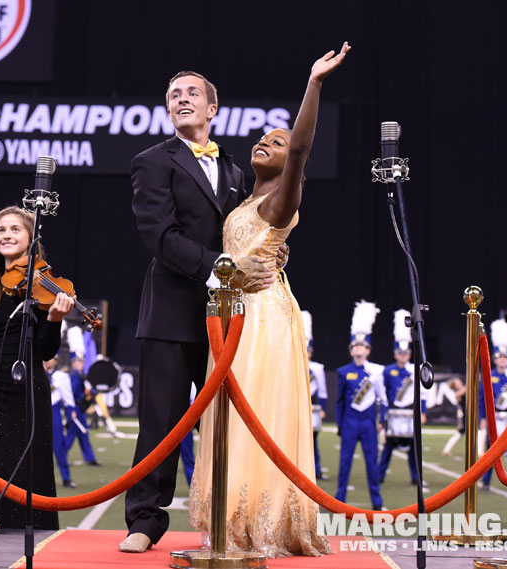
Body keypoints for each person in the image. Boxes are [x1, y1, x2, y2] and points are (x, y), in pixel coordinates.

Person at [189, 45, 351, 558]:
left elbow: (302, 150)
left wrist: (315, 83)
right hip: (232, 313)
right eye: (263, 137)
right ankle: (232, 520)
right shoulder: (243, 197)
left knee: (258, 412)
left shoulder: (284, 195)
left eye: (276, 142)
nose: (268, 142)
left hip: (263, 316)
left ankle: (268, 521)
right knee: (231, 414)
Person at [123, 61, 291, 552]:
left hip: (231, 320)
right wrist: (225, 267)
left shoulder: (237, 170)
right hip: (172, 316)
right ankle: (144, 521)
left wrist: (275, 250)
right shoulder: (152, 161)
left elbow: (250, 227)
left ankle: (233, 519)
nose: (181, 98)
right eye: (173, 93)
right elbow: (161, 237)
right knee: (162, 422)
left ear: (212, 108)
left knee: (230, 425)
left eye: (192, 93)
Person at [0, 205, 73, 530]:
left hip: (26, 391)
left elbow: (44, 351)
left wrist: (53, 321)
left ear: (30, 239)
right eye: (1, 230)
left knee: (29, 473)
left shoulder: (43, 287)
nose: (7, 235)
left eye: (15, 229)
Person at [336, 300, 386, 511]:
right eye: (355, 346)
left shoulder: (376, 371)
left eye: (362, 346)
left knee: (371, 464)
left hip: (368, 423)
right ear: (350, 349)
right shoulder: (342, 372)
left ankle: (377, 502)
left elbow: (383, 399)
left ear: (368, 350)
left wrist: (381, 419)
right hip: (349, 423)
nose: (359, 349)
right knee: (345, 462)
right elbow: (339, 402)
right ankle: (339, 501)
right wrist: (340, 425)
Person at [379, 309, 427, 485]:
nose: (403, 356)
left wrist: (423, 411)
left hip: (409, 412)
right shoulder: (387, 370)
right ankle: (380, 475)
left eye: (405, 353)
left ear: (410, 354)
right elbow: (382, 394)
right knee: (388, 445)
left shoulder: (414, 370)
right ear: (395, 353)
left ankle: (416, 477)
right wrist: (383, 413)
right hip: (393, 412)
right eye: (400, 353)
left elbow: (423, 393)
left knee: (413, 446)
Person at [480, 318, 507, 490]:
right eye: (499, 357)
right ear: (494, 359)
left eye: (505, 357)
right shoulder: (488, 375)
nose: (502, 360)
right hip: (494, 418)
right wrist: (482, 417)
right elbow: (482, 398)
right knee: (491, 450)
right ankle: (486, 481)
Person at [303, 310, 330, 481]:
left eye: (309, 351)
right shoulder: (294, 365)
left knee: (313, 441)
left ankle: (317, 470)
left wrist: (323, 408)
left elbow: (323, 391)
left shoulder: (318, 368)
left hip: (313, 406)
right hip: (299, 405)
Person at [44, 356, 76, 488]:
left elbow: (68, 396)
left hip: (54, 412)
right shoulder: (35, 372)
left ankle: (66, 478)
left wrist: (71, 411)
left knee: (59, 447)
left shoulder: (61, 376)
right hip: (37, 411)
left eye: (50, 358)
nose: (47, 360)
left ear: (56, 361)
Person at [65, 353, 101, 466]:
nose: (79, 363)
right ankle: (62, 456)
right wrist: (72, 410)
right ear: (73, 363)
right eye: (77, 361)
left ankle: (90, 458)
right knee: (71, 434)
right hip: (76, 408)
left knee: (83, 433)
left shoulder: (80, 375)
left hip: (80, 408)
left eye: (80, 361)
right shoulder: (75, 376)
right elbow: (72, 394)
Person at [442, 376, 466, 456]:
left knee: (477, 431)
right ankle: (446, 449)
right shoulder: (457, 392)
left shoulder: (464, 390)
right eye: (457, 383)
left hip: (467, 413)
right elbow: (461, 393)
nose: (459, 383)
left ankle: (446, 449)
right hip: (463, 414)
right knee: (460, 432)